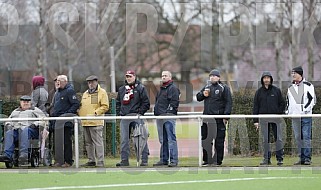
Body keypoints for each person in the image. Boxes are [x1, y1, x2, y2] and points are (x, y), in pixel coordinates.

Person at [196, 69, 232, 166]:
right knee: (206, 140)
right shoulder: (207, 87)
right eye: (211, 76)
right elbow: (198, 98)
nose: (212, 77)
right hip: (207, 119)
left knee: (219, 141)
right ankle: (207, 160)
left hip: (218, 119)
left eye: (214, 76)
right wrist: (202, 94)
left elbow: (229, 102)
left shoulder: (224, 88)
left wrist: (226, 116)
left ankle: (217, 160)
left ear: (218, 77)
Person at [116, 70, 150, 167]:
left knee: (141, 137)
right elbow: (118, 102)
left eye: (130, 76)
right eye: (127, 76)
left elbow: (146, 103)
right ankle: (124, 160)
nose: (128, 78)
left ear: (134, 77)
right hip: (125, 117)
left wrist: (139, 112)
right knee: (124, 140)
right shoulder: (122, 89)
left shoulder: (140, 88)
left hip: (136, 116)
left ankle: (144, 159)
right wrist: (120, 113)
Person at [0, 96, 46, 162]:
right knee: (9, 133)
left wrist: (35, 124)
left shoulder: (35, 110)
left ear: (30, 103)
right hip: (17, 130)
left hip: (31, 130)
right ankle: (7, 155)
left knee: (25, 130)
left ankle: (24, 153)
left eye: (27, 102)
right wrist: (8, 124)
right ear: (20, 103)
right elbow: (9, 120)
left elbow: (44, 120)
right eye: (24, 102)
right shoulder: (15, 111)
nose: (26, 103)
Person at [253, 71, 285, 166]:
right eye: (264, 78)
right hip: (263, 120)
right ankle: (266, 159)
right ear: (262, 80)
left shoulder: (276, 90)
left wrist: (277, 113)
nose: (266, 80)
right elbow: (256, 107)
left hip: (276, 119)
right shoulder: (258, 92)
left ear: (271, 79)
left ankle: (280, 159)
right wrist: (256, 121)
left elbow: (282, 104)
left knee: (278, 139)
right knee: (265, 139)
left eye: (268, 78)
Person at [287, 66, 316, 165]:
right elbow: (288, 101)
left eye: (294, 73)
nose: (293, 75)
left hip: (305, 116)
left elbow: (312, 100)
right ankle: (301, 157)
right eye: (292, 73)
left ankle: (307, 158)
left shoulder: (308, 86)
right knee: (298, 137)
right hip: (295, 117)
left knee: (306, 136)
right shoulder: (291, 87)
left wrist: (304, 110)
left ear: (300, 74)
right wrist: (288, 112)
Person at [79, 75, 109, 167]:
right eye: (89, 82)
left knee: (98, 142)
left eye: (92, 82)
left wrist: (96, 113)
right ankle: (91, 160)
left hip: (96, 122)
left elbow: (105, 106)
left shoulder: (102, 92)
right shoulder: (85, 93)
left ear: (96, 82)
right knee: (88, 143)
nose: (90, 84)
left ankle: (100, 161)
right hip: (85, 122)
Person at [51, 75, 80, 167]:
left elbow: (75, 104)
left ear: (65, 81)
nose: (57, 82)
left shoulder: (70, 91)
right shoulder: (57, 92)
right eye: (56, 81)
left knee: (66, 141)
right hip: (57, 121)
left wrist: (67, 114)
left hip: (66, 121)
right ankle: (59, 161)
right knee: (57, 142)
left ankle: (68, 161)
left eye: (59, 80)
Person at [153, 71, 180, 167]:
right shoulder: (161, 89)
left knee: (171, 138)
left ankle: (174, 160)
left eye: (165, 75)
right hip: (160, 116)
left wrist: (169, 112)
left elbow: (174, 102)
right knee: (163, 139)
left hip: (168, 116)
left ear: (170, 77)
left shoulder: (173, 88)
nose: (163, 77)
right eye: (162, 76)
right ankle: (164, 159)